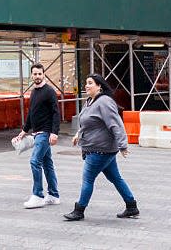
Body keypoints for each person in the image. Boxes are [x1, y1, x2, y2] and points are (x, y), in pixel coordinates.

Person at [64, 73, 139, 221]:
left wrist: (123, 145)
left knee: (87, 180)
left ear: (99, 86)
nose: (86, 85)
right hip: (99, 149)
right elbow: (87, 122)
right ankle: (131, 206)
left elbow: (115, 124)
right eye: (86, 82)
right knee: (116, 178)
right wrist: (78, 134)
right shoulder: (90, 101)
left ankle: (79, 210)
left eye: (90, 83)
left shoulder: (104, 102)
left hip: (99, 150)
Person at [15, 63, 61, 209]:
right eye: (34, 74)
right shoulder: (34, 92)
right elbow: (31, 114)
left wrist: (54, 133)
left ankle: (38, 195)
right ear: (32, 76)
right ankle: (53, 195)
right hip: (36, 133)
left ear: (44, 74)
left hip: (45, 133)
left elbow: (56, 113)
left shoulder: (49, 91)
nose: (37, 76)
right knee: (47, 164)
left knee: (35, 161)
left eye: (39, 74)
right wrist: (24, 131)